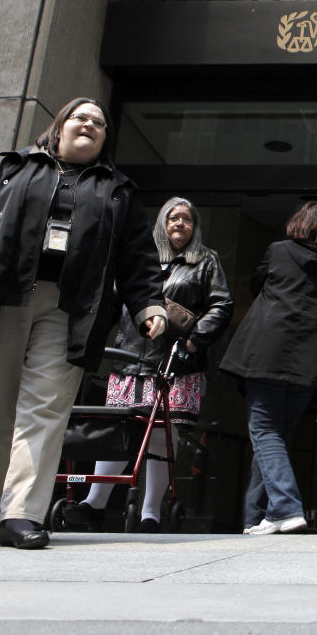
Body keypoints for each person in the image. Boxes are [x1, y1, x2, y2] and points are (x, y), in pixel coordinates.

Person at [0, 98, 166, 550]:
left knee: (46, 409)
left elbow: (138, 256)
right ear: (59, 126)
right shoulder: (14, 170)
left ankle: (23, 513)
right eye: (81, 117)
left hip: (71, 310)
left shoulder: (118, 189)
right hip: (6, 299)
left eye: (99, 122)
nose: (90, 125)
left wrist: (149, 305)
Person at [63, 198, 233, 532]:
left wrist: (194, 339)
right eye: (173, 218)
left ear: (194, 226)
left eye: (187, 219)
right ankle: (93, 503)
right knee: (119, 433)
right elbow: (113, 299)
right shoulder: (141, 257)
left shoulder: (206, 261)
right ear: (162, 223)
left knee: (159, 436)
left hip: (176, 362)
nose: (180, 224)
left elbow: (221, 305)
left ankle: (150, 513)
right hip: (130, 359)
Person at [219, 201, 317, 535]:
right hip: (309, 366)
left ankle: (286, 508)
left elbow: (256, 286)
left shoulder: (278, 252)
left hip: (266, 355)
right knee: (275, 437)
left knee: (264, 433)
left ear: (298, 225)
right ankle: (256, 517)